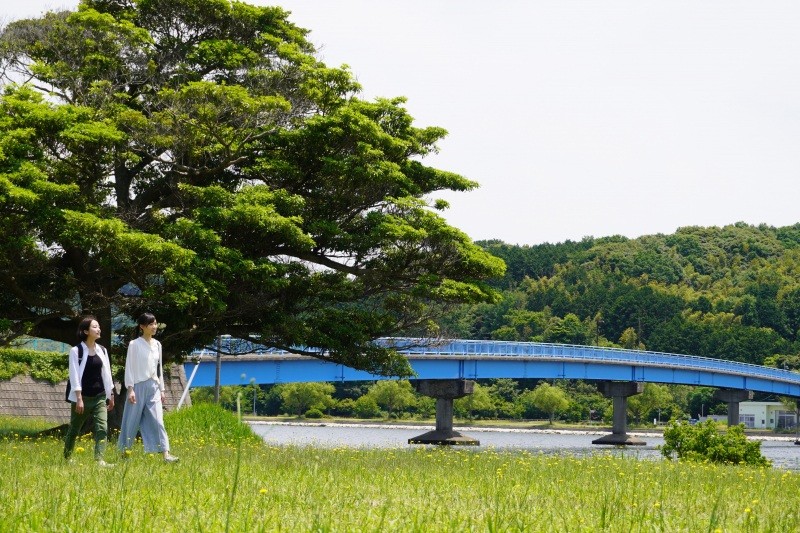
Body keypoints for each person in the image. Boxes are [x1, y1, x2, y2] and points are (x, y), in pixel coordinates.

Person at [118, 312, 179, 463]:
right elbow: (129, 367)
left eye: (155, 323)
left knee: (158, 420)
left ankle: (166, 454)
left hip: (154, 386)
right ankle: (124, 453)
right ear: (142, 326)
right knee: (131, 421)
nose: (154, 327)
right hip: (137, 387)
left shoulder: (158, 345)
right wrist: (130, 389)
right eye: (151, 324)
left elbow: (159, 369)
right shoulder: (134, 344)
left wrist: (162, 389)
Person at [64, 316, 116, 466]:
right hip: (83, 397)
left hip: (100, 396)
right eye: (94, 327)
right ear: (86, 331)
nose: (98, 329)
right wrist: (79, 398)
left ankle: (99, 460)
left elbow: (107, 374)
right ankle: (67, 458)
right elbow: (74, 375)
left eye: (98, 326)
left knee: (102, 428)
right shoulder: (76, 351)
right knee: (74, 429)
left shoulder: (102, 350)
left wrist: (110, 394)